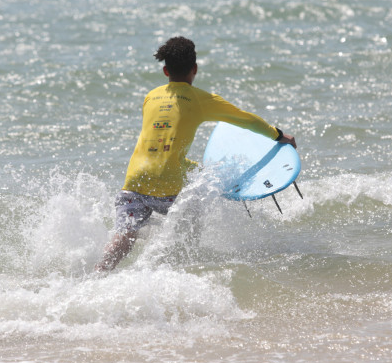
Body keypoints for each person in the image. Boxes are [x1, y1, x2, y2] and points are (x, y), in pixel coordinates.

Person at [95, 36, 296, 272]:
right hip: (167, 185)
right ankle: (177, 269)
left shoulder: (150, 96)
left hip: (134, 180)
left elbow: (160, 147)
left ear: (165, 70)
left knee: (124, 237)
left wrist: (198, 169)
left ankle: (98, 273)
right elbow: (245, 119)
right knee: (191, 220)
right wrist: (279, 135)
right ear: (195, 69)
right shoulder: (201, 100)